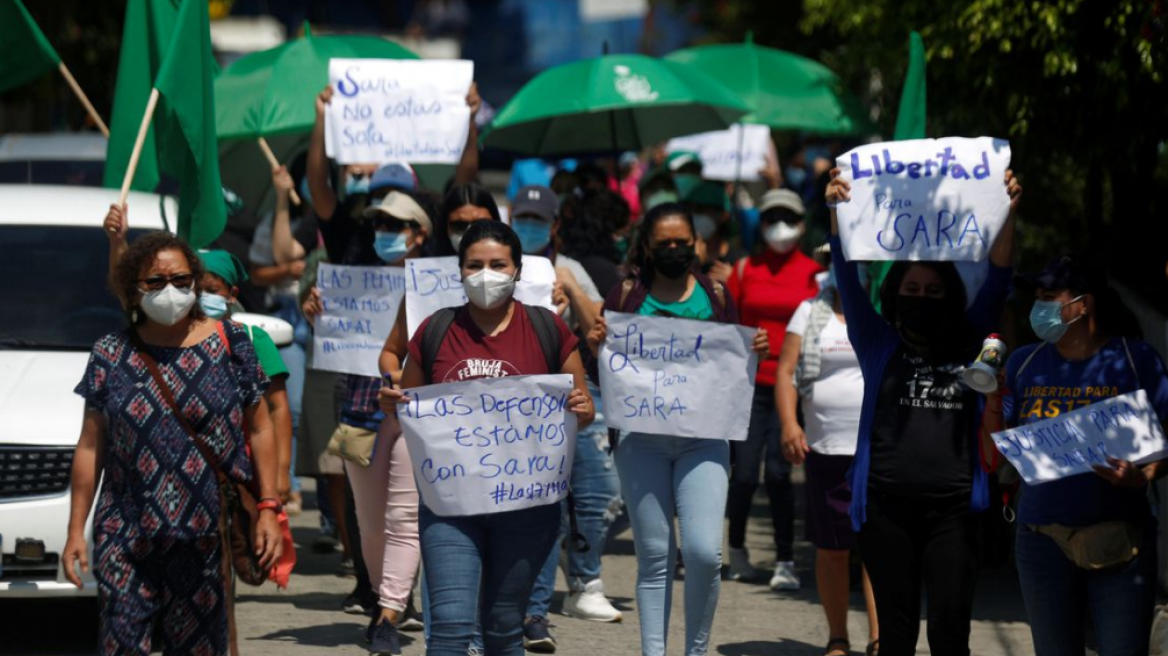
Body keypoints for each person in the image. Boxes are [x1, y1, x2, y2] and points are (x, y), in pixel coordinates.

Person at [824, 167, 1022, 655]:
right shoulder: (877, 342)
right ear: (894, 294)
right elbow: (847, 275)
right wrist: (834, 209)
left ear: (950, 298)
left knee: (950, 636)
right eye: (912, 290)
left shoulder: (972, 337)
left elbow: (998, 277)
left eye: (933, 292)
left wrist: (1007, 210)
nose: (921, 299)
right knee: (895, 636)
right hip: (885, 510)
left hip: (956, 513)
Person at [379, 221, 595, 656]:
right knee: (451, 629)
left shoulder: (548, 329)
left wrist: (583, 410)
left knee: (503, 627)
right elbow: (411, 404)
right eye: (474, 265)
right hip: (450, 507)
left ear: (517, 270)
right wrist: (394, 402)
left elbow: (581, 406)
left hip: (526, 508)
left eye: (498, 264)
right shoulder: (436, 330)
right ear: (459, 271)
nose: (486, 274)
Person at [62, 232, 283, 655]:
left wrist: (270, 508)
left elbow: (261, 427)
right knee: (122, 643)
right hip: (125, 533)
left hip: (203, 536)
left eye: (181, 280)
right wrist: (76, 529)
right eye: (155, 282)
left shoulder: (232, 343)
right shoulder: (111, 352)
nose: (170, 291)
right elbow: (90, 446)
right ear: (133, 288)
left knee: (198, 647)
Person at [586, 202, 769, 656]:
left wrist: (757, 349)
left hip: (703, 440)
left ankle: (696, 650)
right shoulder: (625, 295)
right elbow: (601, 374)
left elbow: (732, 366)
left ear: (696, 245)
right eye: (663, 243)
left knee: (706, 554)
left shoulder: (719, 296)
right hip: (640, 442)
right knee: (654, 557)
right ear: (647, 245)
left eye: (681, 243)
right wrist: (593, 348)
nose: (673, 250)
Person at [986, 255, 1168, 654]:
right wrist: (993, 400)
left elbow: (1163, 445)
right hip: (1041, 543)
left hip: (1121, 544)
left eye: (1050, 296)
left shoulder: (1134, 360)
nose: (1039, 307)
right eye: (1037, 297)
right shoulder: (1023, 362)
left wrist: (1144, 476)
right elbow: (996, 455)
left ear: (1084, 304)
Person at [510, 186, 623, 652]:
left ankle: (579, 571)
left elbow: (602, 327)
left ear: (554, 226)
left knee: (607, 490)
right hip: (515, 397)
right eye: (522, 217)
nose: (530, 226)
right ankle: (550, 596)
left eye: (538, 219)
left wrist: (570, 289)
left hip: (575, 389)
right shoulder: (494, 266)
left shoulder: (570, 268)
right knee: (536, 503)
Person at [337, 191, 432, 656]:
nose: (385, 234)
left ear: (420, 234)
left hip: (412, 414)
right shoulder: (353, 284)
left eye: (396, 225)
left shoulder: (441, 288)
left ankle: (389, 612)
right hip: (358, 410)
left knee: (402, 517)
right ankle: (382, 598)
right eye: (379, 225)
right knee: (369, 522)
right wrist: (321, 312)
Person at [776, 249, 879, 656]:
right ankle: (838, 636)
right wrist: (789, 423)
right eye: (841, 260)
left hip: (878, 450)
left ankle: (880, 637)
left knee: (878, 548)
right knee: (832, 548)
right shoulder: (808, 311)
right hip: (825, 448)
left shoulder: (886, 311)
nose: (850, 269)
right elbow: (786, 370)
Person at [724, 189, 823, 589]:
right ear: (760, 224)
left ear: (802, 224)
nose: (779, 226)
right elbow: (725, 322)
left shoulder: (814, 273)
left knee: (781, 475)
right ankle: (737, 551)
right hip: (747, 386)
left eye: (788, 217)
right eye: (771, 218)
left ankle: (785, 559)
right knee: (745, 473)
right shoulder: (745, 269)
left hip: (793, 388)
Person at [198, 250, 295, 507]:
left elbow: (278, 408)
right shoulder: (176, 342)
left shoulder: (254, 339)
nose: (203, 297)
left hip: (252, 465)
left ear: (232, 295)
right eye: (196, 290)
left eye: (212, 290)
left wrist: (282, 473)